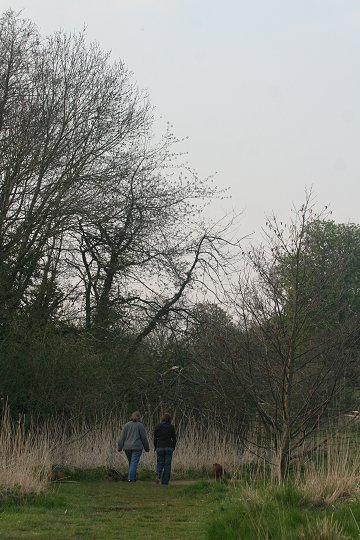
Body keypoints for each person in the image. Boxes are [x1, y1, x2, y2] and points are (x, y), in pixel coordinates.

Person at [118, 411, 150, 482]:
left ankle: (132, 477)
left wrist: (120, 447)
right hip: (137, 447)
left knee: (131, 463)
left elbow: (122, 437)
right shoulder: (140, 425)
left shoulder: (126, 425)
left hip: (127, 447)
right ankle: (131, 479)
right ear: (139, 417)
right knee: (134, 463)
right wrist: (147, 448)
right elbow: (144, 438)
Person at [153, 413, 177, 486]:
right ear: (170, 419)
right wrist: (173, 447)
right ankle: (165, 482)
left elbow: (155, 438)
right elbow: (174, 439)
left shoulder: (157, 426)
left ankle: (158, 474)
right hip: (169, 447)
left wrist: (155, 447)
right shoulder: (171, 427)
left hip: (160, 447)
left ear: (162, 418)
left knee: (160, 463)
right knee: (167, 465)